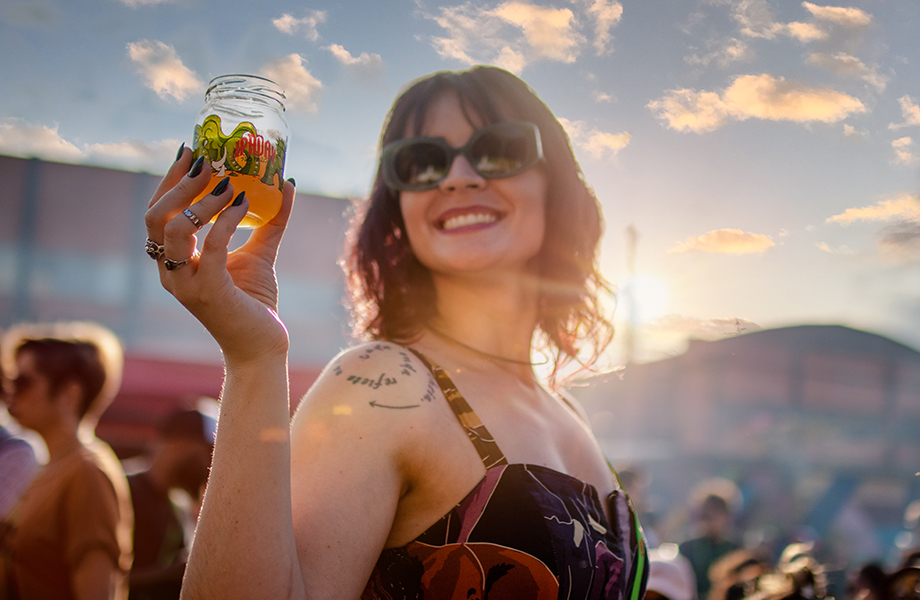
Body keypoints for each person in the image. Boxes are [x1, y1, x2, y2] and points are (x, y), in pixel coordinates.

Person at [144, 65, 648, 598]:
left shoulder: (570, 410)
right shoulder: (385, 382)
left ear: (556, 184)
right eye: (421, 162)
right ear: (399, 208)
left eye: (498, 150)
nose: (457, 177)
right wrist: (252, 359)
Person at [0, 321, 133, 600]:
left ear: (69, 394)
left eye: (23, 382)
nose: (11, 392)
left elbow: (97, 589)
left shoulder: (88, 473)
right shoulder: (50, 467)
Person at [128, 406, 216, 600]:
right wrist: (169, 575)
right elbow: (98, 577)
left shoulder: (180, 504)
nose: (210, 466)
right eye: (208, 454)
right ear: (181, 443)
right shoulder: (121, 489)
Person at [680, 479, 742, 600]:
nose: (710, 520)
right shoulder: (686, 549)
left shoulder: (737, 550)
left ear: (728, 516)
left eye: (717, 513)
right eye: (706, 514)